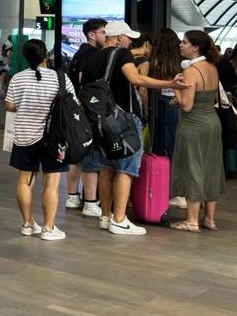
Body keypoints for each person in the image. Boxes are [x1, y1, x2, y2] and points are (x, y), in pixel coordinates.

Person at [77, 20, 188, 236]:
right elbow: (135, 78)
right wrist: (171, 84)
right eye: (128, 37)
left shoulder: (92, 57)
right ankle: (119, 219)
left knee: (107, 168)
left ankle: (106, 216)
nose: (130, 41)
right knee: (126, 167)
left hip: (101, 123)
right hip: (123, 122)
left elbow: (83, 83)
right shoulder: (122, 54)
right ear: (118, 37)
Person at [4, 38, 72, 242]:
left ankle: (27, 223)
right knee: (51, 183)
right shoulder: (60, 78)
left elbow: (9, 105)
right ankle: (49, 228)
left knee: (25, 181)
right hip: (54, 138)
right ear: (46, 56)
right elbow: (72, 104)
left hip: (25, 136)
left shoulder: (17, 78)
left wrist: (25, 105)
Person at [171, 30, 226, 231]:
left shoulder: (191, 71)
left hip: (193, 124)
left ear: (195, 47)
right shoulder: (212, 67)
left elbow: (186, 105)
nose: (180, 45)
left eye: (184, 42)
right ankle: (209, 219)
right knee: (211, 168)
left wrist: (174, 88)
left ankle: (191, 220)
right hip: (212, 121)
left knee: (193, 168)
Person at [65, 17, 106, 215]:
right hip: (88, 110)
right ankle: (90, 201)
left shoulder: (80, 52)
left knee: (76, 152)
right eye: (103, 32)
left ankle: (73, 196)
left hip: (76, 109)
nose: (105, 36)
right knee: (90, 154)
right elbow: (85, 80)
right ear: (92, 35)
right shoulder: (93, 54)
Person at [139, 28, 182, 160]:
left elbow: (155, 87)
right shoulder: (181, 60)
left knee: (163, 138)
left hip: (163, 100)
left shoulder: (156, 61)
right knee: (175, 139)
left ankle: (163, 171)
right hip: (178, 101)